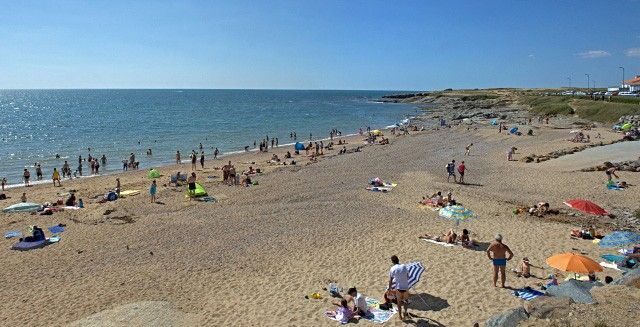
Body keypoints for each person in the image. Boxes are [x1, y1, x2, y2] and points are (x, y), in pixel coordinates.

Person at [388, 255, 409, 320]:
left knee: (399, 303)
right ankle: (405, 314)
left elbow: (390, 280)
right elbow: (407, 276)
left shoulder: (392, 268)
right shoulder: (404, 266)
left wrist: (389, 289)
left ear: (392, 262)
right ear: (398, 260)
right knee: (405, 301)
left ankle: (400, 316)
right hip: (405, 287)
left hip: (399, 288)